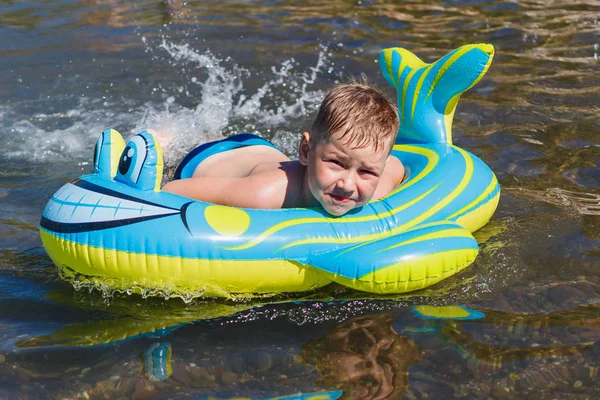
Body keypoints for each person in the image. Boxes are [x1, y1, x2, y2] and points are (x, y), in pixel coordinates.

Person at [161, 83, 404, 216]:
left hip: (263, 153)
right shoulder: (262, 196)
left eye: (367, 172)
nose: (348, 185)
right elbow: (170, 190)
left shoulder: (376, 185)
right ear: (306, 152)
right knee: (177, 148)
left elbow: (398, 164)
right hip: (208, 158)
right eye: (337, 163)